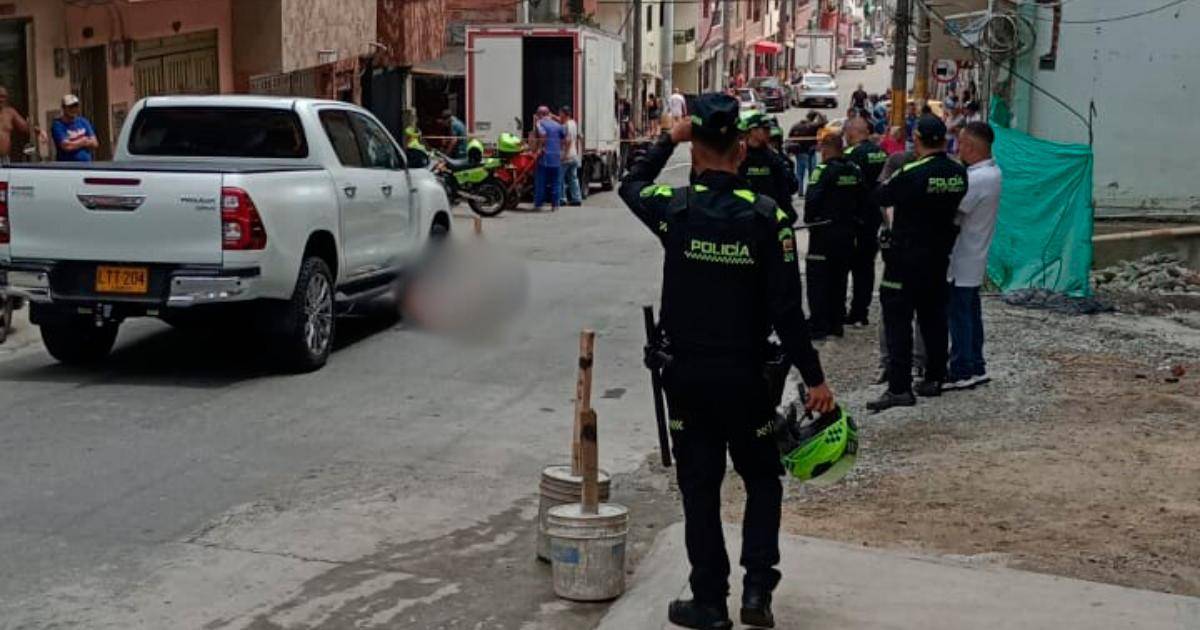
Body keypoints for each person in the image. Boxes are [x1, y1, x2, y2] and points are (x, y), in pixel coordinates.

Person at [619, 93, 834, 630]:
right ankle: (758, 588)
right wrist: (815, 380)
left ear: (695, 152)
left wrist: (670, 136)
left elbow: (629, 184)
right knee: (762, 478)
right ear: (742, 150)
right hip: (748, 379)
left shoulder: (676, 208)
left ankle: (710, 601)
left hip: (688, 378)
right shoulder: (770, 219)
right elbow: (788, 311)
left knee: (700, 487)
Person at [867, 115, 968, 411]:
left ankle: (899, 387)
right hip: (938, 257)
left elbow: (881, 195)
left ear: (918, 139)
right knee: (934, 319)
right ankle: (934, 377)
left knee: (898, 321)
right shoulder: (958, 172)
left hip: (904, 258)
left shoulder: (912, 171)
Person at [945, 122, 1002, 390]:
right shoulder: (993, 172)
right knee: (970, 312)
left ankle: (962, 368)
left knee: (959, 315)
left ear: (971, 146)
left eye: (961, 143)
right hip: (974, 254)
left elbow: (954, 210)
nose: (958, 149)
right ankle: (976, 364)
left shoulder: (977, 179)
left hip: (964, 256)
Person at [803, 132, 865, 340]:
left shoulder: (822, 171)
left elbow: (812, 199)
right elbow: (863, 198)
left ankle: (819, 324)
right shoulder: (854, 170)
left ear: (827, 148)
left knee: (818, 280)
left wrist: (810, 220)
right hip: (847, 233)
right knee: (839, 279)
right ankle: (836, 323)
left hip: (823, 233)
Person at [842, 117, 889, 327]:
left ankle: (851, 311)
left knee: (848, 265)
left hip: (855, 217)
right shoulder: (880, 152)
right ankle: (863, 309)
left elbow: (846, 187)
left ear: (852, 132)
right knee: (867, 266)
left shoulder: (851, 155)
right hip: (875, 216)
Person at [738, 111, 798, 224]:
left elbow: (790, 186)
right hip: (746, 218)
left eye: (769, 129)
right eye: (765, 129)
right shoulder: (740, 156)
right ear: (752, 131)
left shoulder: (775, 157)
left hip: (773, 218)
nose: (769, 133)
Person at [532, 105, 566, 212]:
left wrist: (539, 148)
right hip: (556, 157)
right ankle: (555, 205)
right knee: (555, 182)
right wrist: (560, 150)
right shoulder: (557, 125)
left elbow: (542, 134)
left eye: (538, 114)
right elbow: (564, 137)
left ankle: (538, 204)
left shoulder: (539, 123)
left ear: (540, 114)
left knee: (541, 181)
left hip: (544, 156)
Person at [0, 86, 45, 161]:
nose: (1, 99)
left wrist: (40, 131)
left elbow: (25, 127)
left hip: (4, 159)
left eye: (3, 97)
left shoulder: (10, 113)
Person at [52, 94, 98, 162]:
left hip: (87, 166)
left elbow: (95, 143)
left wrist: (74, 143)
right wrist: (83, 141)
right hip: (69, 168)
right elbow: (66, 146)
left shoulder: (83, 121)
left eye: (76, 106)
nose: (73, 109)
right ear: (64, 108)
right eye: (70, 107)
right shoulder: (58, 125)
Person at [786, 115, 818, 196]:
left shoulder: (795, 126)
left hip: (799, 153)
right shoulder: (812, 126)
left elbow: (790, 138)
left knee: (800, 173)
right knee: (812, 173)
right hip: (810, 153)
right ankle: (811, 191)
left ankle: (800, 192)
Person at [558, 106, 583, 207]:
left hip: (566, 156)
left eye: (560, 113)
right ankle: (576, 198)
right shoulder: (573, 123)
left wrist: (564, 155)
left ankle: (562, 199)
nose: (559, 115)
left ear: (564, 114)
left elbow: (567, 141)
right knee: (573, 178)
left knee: (560, 178)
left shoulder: (565, 126)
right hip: (574, 155)